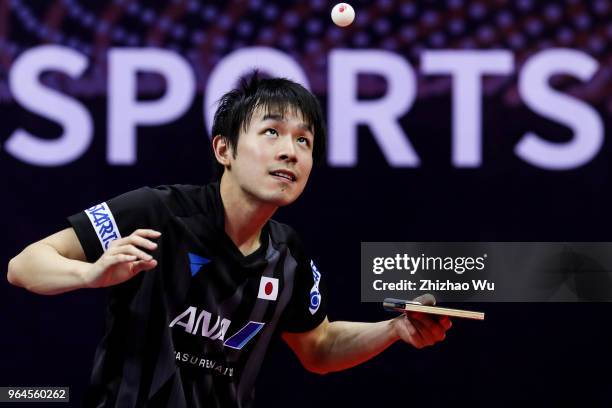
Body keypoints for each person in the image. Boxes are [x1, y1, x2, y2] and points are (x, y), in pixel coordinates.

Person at [7, 73, 451, 407]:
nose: (290, 151)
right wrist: (91, 272)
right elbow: (25, 265)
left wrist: (394, 329)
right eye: (271, 132)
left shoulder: (288, 255)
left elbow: (319, 347)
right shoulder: (157, 213)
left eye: (304, 141)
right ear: (224, 150)